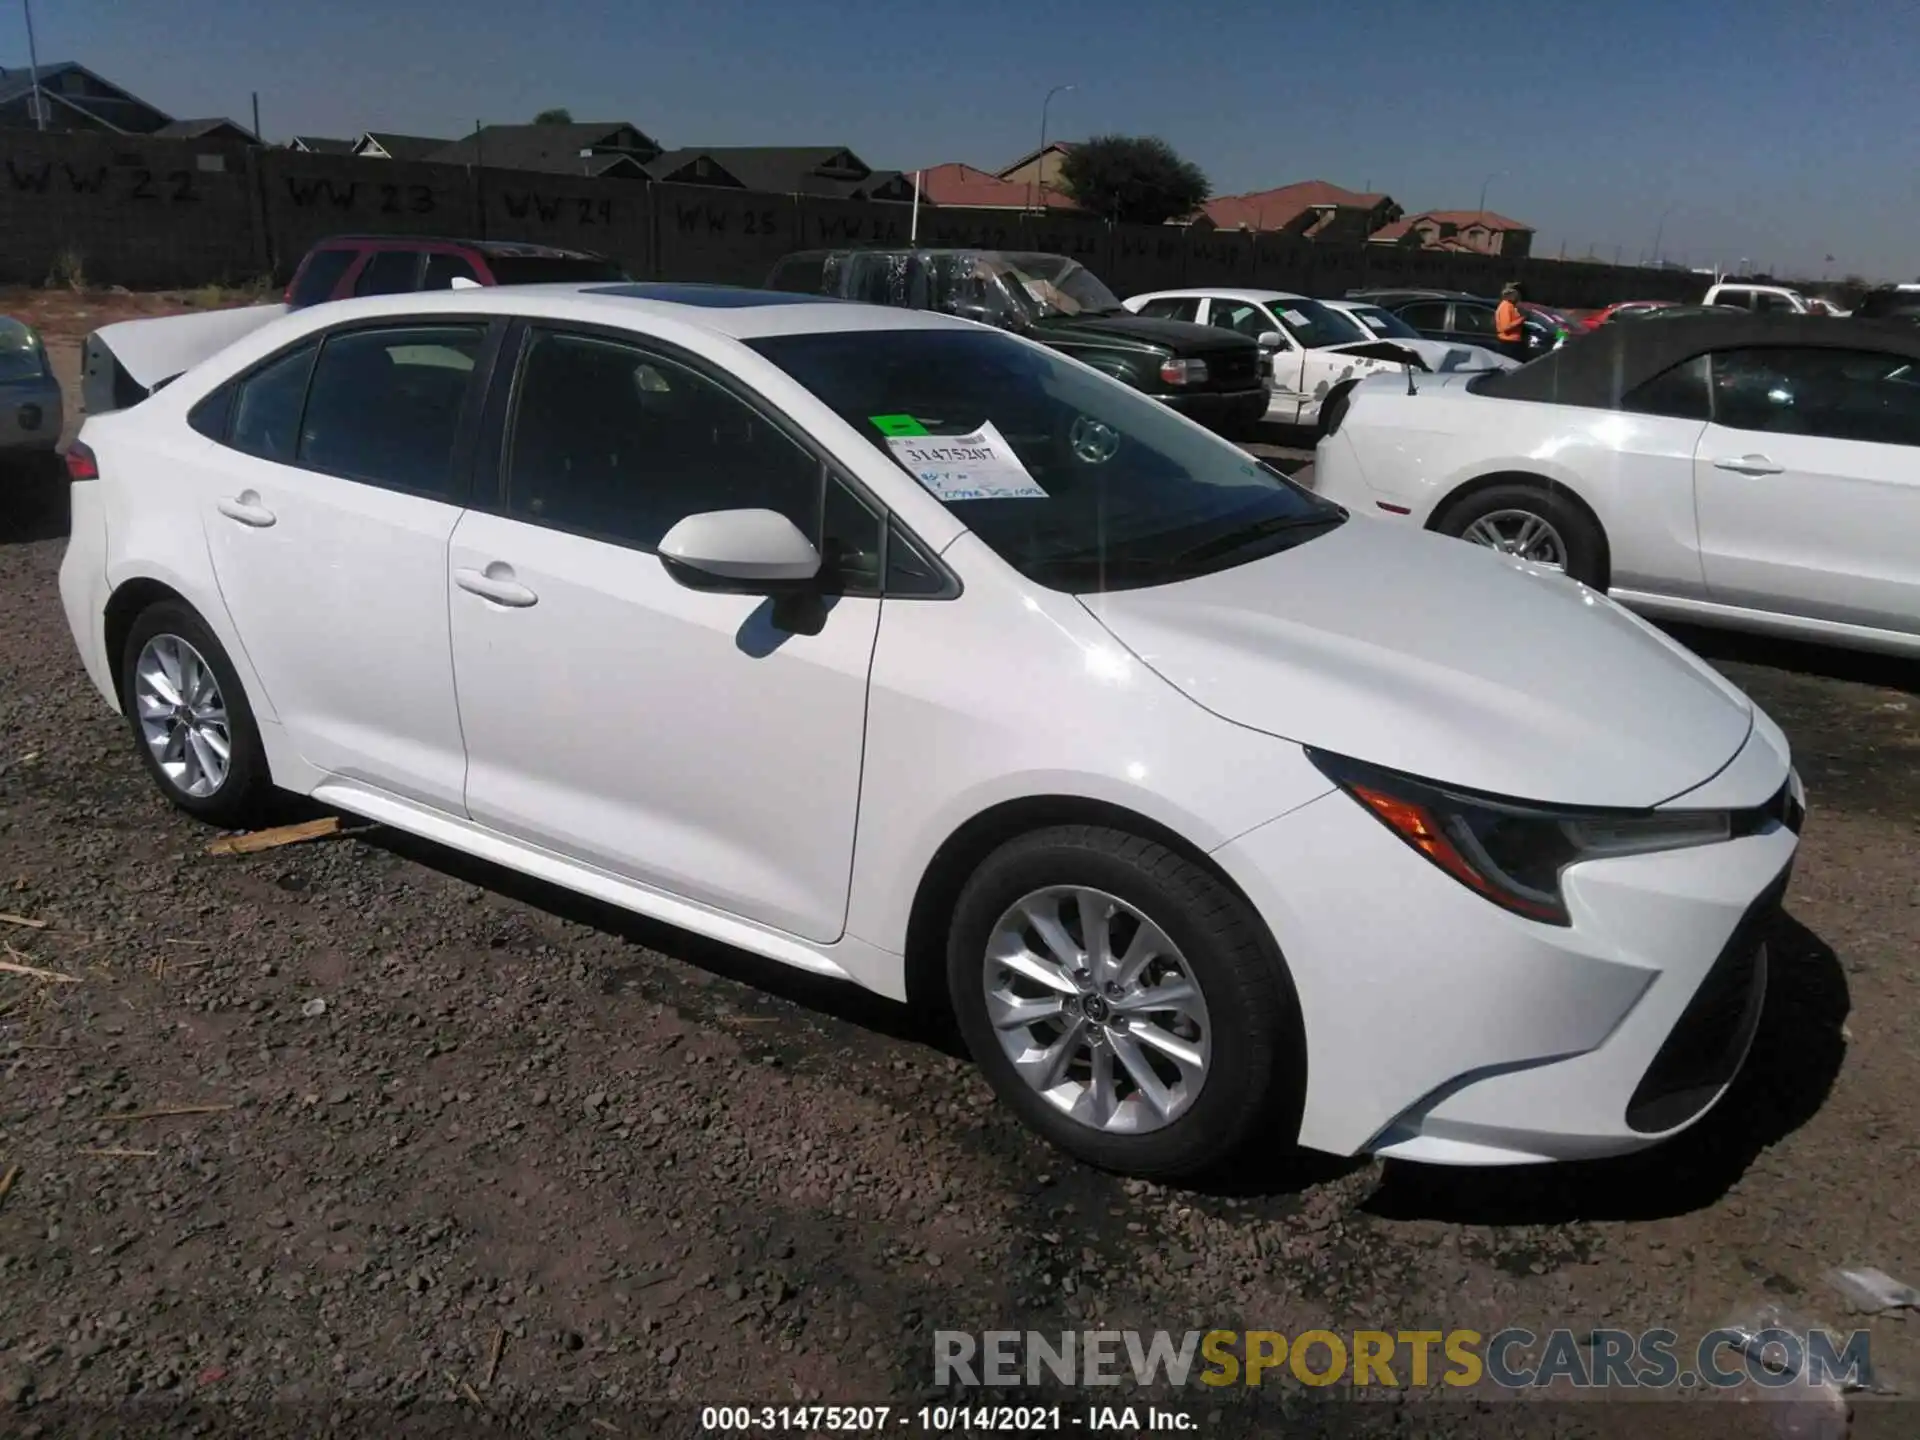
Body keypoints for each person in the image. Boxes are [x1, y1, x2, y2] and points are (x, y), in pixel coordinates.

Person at [1495, 283, 1529, 362]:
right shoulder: (1506, 306)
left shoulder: (1511, 306)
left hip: (1513, 342)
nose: (1518, 297)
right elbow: (1505, 327)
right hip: (1508, 343)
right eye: (1517, 294)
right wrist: (1521, 319)